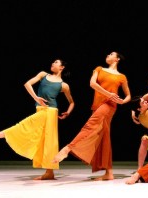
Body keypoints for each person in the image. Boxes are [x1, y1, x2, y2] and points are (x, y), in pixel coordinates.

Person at [0, 59, 75, 180]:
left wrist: (68, 112)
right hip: (40, 110)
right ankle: (49, 172)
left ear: (62, 67)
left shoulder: (64, 85)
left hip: (51, 112)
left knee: (44, 138)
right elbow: (27, 84)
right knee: (39, 138)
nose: (52, 63)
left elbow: (72, 102)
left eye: (56, 62)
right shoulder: (43, 74)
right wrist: (36, 98)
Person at [52, 51, 131, 181]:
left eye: (111, 54)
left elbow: (128, 95)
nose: (108, 55)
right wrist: (108, 93)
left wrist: (123, 101)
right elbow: (92, 84)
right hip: (97, 105)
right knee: (104, 137)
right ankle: (109, 173)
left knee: (90, 126)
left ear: (117, 59)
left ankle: (68, 148)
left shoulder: (122, 76)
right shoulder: (99, 69)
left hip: (110, 106)